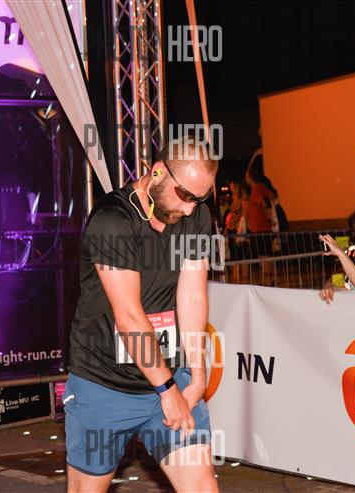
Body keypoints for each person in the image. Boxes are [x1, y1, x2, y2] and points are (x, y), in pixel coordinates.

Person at [64, 137, 219, 493]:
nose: (191, 209)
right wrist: (167, 390)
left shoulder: (195, 216)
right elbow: (130, 317)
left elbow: (193, 296)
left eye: (200, 199)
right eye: (185, 195)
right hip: (104, 383)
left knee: (202, 487)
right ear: (158, 172)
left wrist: (197, 376)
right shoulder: (113, 220)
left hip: (171, 378)